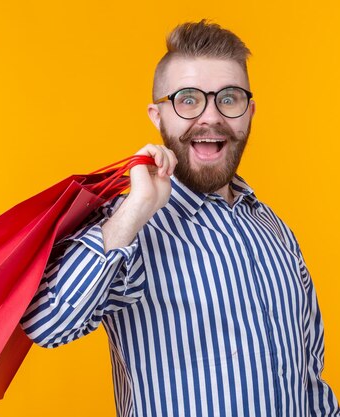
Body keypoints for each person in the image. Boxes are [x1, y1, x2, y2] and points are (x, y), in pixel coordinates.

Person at [20, 20, 340, 417]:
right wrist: (133, 212)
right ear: (158, 115)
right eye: (188, 99)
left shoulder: (273, 228)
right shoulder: (131, 227)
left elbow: (309, 375)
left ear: (250, 112)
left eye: (229, 98)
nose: (211, 117)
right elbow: (47, 325)